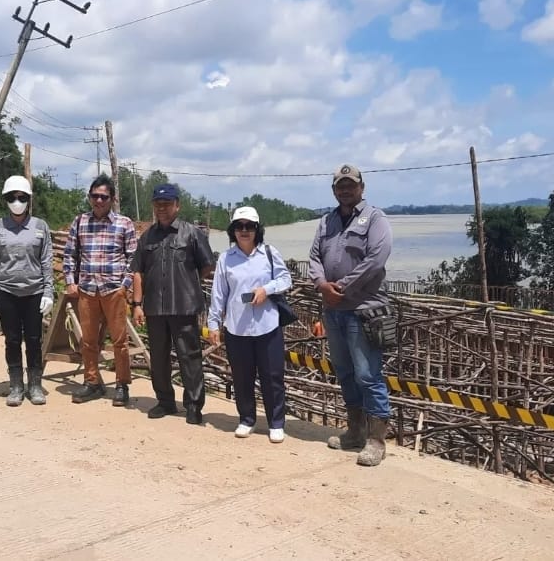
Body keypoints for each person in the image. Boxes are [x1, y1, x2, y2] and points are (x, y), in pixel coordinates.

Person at [309, 164, 394, 466]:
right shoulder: (326, 221)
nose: (345, 190)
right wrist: (322, 285)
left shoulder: (375, 219)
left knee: (368, 375)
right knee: (344, 373)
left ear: (362, 187)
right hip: (333, 312)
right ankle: (355, 432)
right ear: (334, 190)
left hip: (363, 311)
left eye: (350, 185)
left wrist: (340, 287)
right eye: (340, 186)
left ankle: (376, 440)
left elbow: (376, 260)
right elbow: (315, 257)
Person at [131, 183, 215, 424]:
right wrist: (137, 304)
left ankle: (193, 405)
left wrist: (187, 283)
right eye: (158, 205)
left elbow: (207, 265)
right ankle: (165, 401)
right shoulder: (147, 236)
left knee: (189, 356)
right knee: (158, 357)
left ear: (177, 206)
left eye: (167, 204)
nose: (162, 209)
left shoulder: (192, 233)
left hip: (184, 306)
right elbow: (138, 272)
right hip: (155, 308)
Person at [207, 206, 292, 443]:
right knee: (242, 377)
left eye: (249, 226)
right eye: (239, 226)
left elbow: (286, 279)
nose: (244, 231)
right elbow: (218, 294)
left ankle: (276, 422)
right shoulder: (226, 259)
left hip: (268, 325)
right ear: (232, 230)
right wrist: (213, 323)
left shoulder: (268, 253)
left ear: (257, 229)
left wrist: (267, 289)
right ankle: (246, 419)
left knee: (272, 376)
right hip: (237, 327)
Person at [62, 174, 138, 406]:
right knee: (88, 340)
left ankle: (122, 385)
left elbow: (134, 258)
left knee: (119, 341)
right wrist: (69, 281)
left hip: (113, 289)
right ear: (89, 197)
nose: (99, 201)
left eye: (104, 196)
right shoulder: (80, 222)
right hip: (87, 289)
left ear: (112, 199)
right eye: (95, 196)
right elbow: (70, 254)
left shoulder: (124, 224)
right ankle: (92, 381)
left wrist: (125, 285)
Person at [0, 175, 54, 406]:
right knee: (12, 340)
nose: (17, 201)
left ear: (28, 199)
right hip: (6, 293)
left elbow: (46, 261)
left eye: (21, 197)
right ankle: (15, 385)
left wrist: (48, 292)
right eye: (12, 197)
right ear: (5, 199)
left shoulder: (40, 227)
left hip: (34, 293)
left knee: (34, 339)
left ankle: (34, 385)